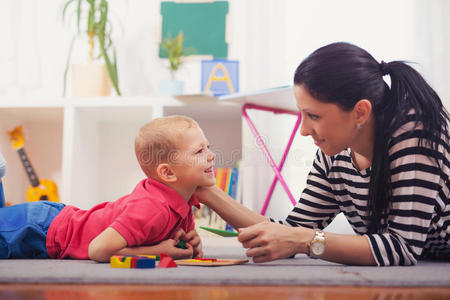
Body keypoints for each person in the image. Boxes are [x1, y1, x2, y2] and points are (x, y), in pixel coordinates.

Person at [195, 42, 450, 266]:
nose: (304, 130)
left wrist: (305, 240)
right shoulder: (335, 153)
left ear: (360, 111)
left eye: (314, 116)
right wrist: (207, 191)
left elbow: (400, 248)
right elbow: (292, 231)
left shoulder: (414, 133)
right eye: (302, 114)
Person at [0, 115, 216, 262]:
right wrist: (158, 253)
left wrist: (191, 246)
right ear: (168, 173)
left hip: (55, 225)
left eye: (208, 147)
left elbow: (182, 247)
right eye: (199, 151)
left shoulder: (185, 202)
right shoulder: (153, 208)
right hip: (43, 229)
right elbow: (98, 250)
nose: (211, 155)